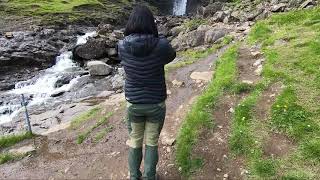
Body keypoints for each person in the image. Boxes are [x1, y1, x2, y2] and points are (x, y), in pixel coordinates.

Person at [117, 5, 176, 180]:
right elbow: (171, 56)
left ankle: (134, 177)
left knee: (135, 141)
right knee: (151, 142)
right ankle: (151, 177)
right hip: (156, 103)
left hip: (133, 103)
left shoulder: (121, 45)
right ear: (151, 23)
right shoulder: (161, 45)